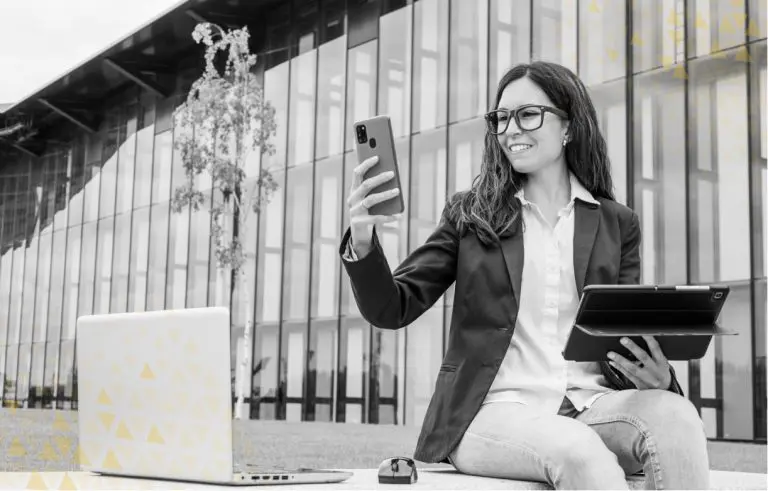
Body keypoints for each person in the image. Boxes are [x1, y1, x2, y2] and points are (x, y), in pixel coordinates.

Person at [338, 61, 709, 490]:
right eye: (501, 118)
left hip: (592, 405)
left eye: (528, 114)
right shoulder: (471, 214)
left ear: (569, 126)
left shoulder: (616, 223)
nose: (511, 129)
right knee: (578, 448)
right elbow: (392, 307)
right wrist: (363, 239)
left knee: (678, 415)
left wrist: (660, 379)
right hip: (492, 413)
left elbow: (620, 331)